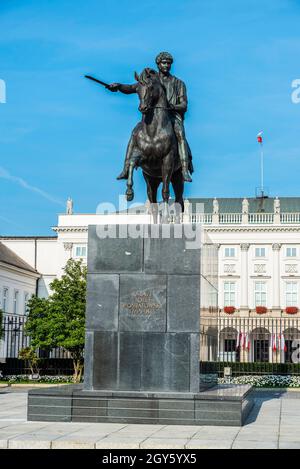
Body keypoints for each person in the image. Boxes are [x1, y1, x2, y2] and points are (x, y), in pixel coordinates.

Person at [107, 51, 193, 182]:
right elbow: (131, 88)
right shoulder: (150, 80)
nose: (166, 65)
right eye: (164, 63)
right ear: (158, 64)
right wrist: (118, 86)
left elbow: (184, 104)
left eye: (169, 63)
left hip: (171, 117)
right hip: (151, 118)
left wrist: (173, 106)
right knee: (135, 132)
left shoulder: (178, 83)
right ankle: (125, 168)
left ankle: (185, 169)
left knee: (180, 133)